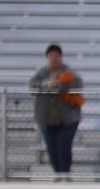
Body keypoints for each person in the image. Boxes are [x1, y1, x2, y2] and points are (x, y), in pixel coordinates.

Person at [28, 43, 84, 175]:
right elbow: (32, 86)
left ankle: (65, 174)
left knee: (63, 148)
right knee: (52, 151)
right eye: (51, 55)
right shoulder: (41, 72)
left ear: (61, 57)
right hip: (47, 121)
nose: (54, 58)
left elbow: (78, 85)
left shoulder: (68, 72)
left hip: (67, 120)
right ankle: (58, 175)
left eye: (56, 55)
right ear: (47, 57)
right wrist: (46, 85)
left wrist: (61, 84)